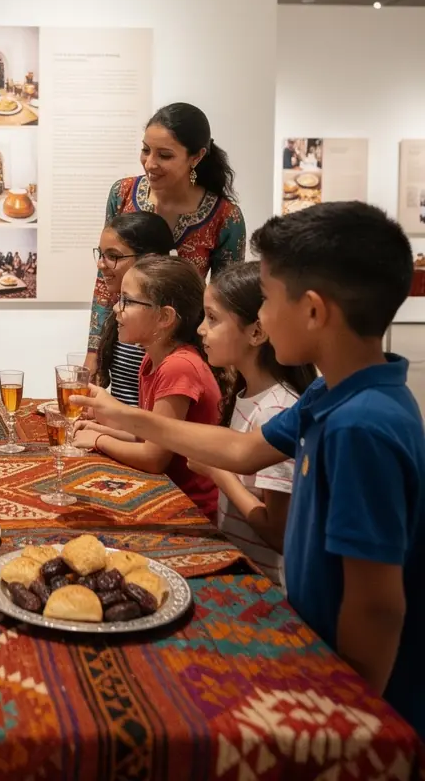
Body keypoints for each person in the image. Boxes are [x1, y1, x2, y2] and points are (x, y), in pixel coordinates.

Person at [77, 202, 423, 737]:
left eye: (267, 299)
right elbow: (240, 452)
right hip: (314, 645)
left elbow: (377, 606)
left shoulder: (362, 427)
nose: (259, 318)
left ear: (312, 311)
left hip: (354, 689)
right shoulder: (331, 395)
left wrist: (348, 722)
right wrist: (127, 416)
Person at [87, 103, 246, 370]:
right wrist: (94, 353)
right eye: (145, 150)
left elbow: (225, 302)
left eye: (165, 155)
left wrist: (223, 370)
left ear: (196, 157)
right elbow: (105, 279)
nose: (150, 163)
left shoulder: (225, 217)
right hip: (124, 342)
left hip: (183, 355)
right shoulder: (123, 193)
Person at [189, 261, 317, 587]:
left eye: (213, 318)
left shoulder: (276, 409)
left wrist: (218, 471)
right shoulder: (245, 393)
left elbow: (278, 532)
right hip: (241, 566)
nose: (201, 329)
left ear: (257, 331)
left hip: (268, 585)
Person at [72, 255, 222, 521]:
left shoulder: (179, 366)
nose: (116, 309)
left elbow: (154, 457)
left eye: (127, 301)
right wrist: (101, 427)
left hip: (190, 508)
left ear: (164, 317)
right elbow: (154, 437)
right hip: (168, 492)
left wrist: (98, 440)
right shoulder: (153, 359)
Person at [89, 212, 175, 406]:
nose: (100, 264)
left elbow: (159, 427)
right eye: (101, 254)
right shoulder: (121, 315)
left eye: (113, 256)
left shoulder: (161, 327)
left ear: (150, 259)